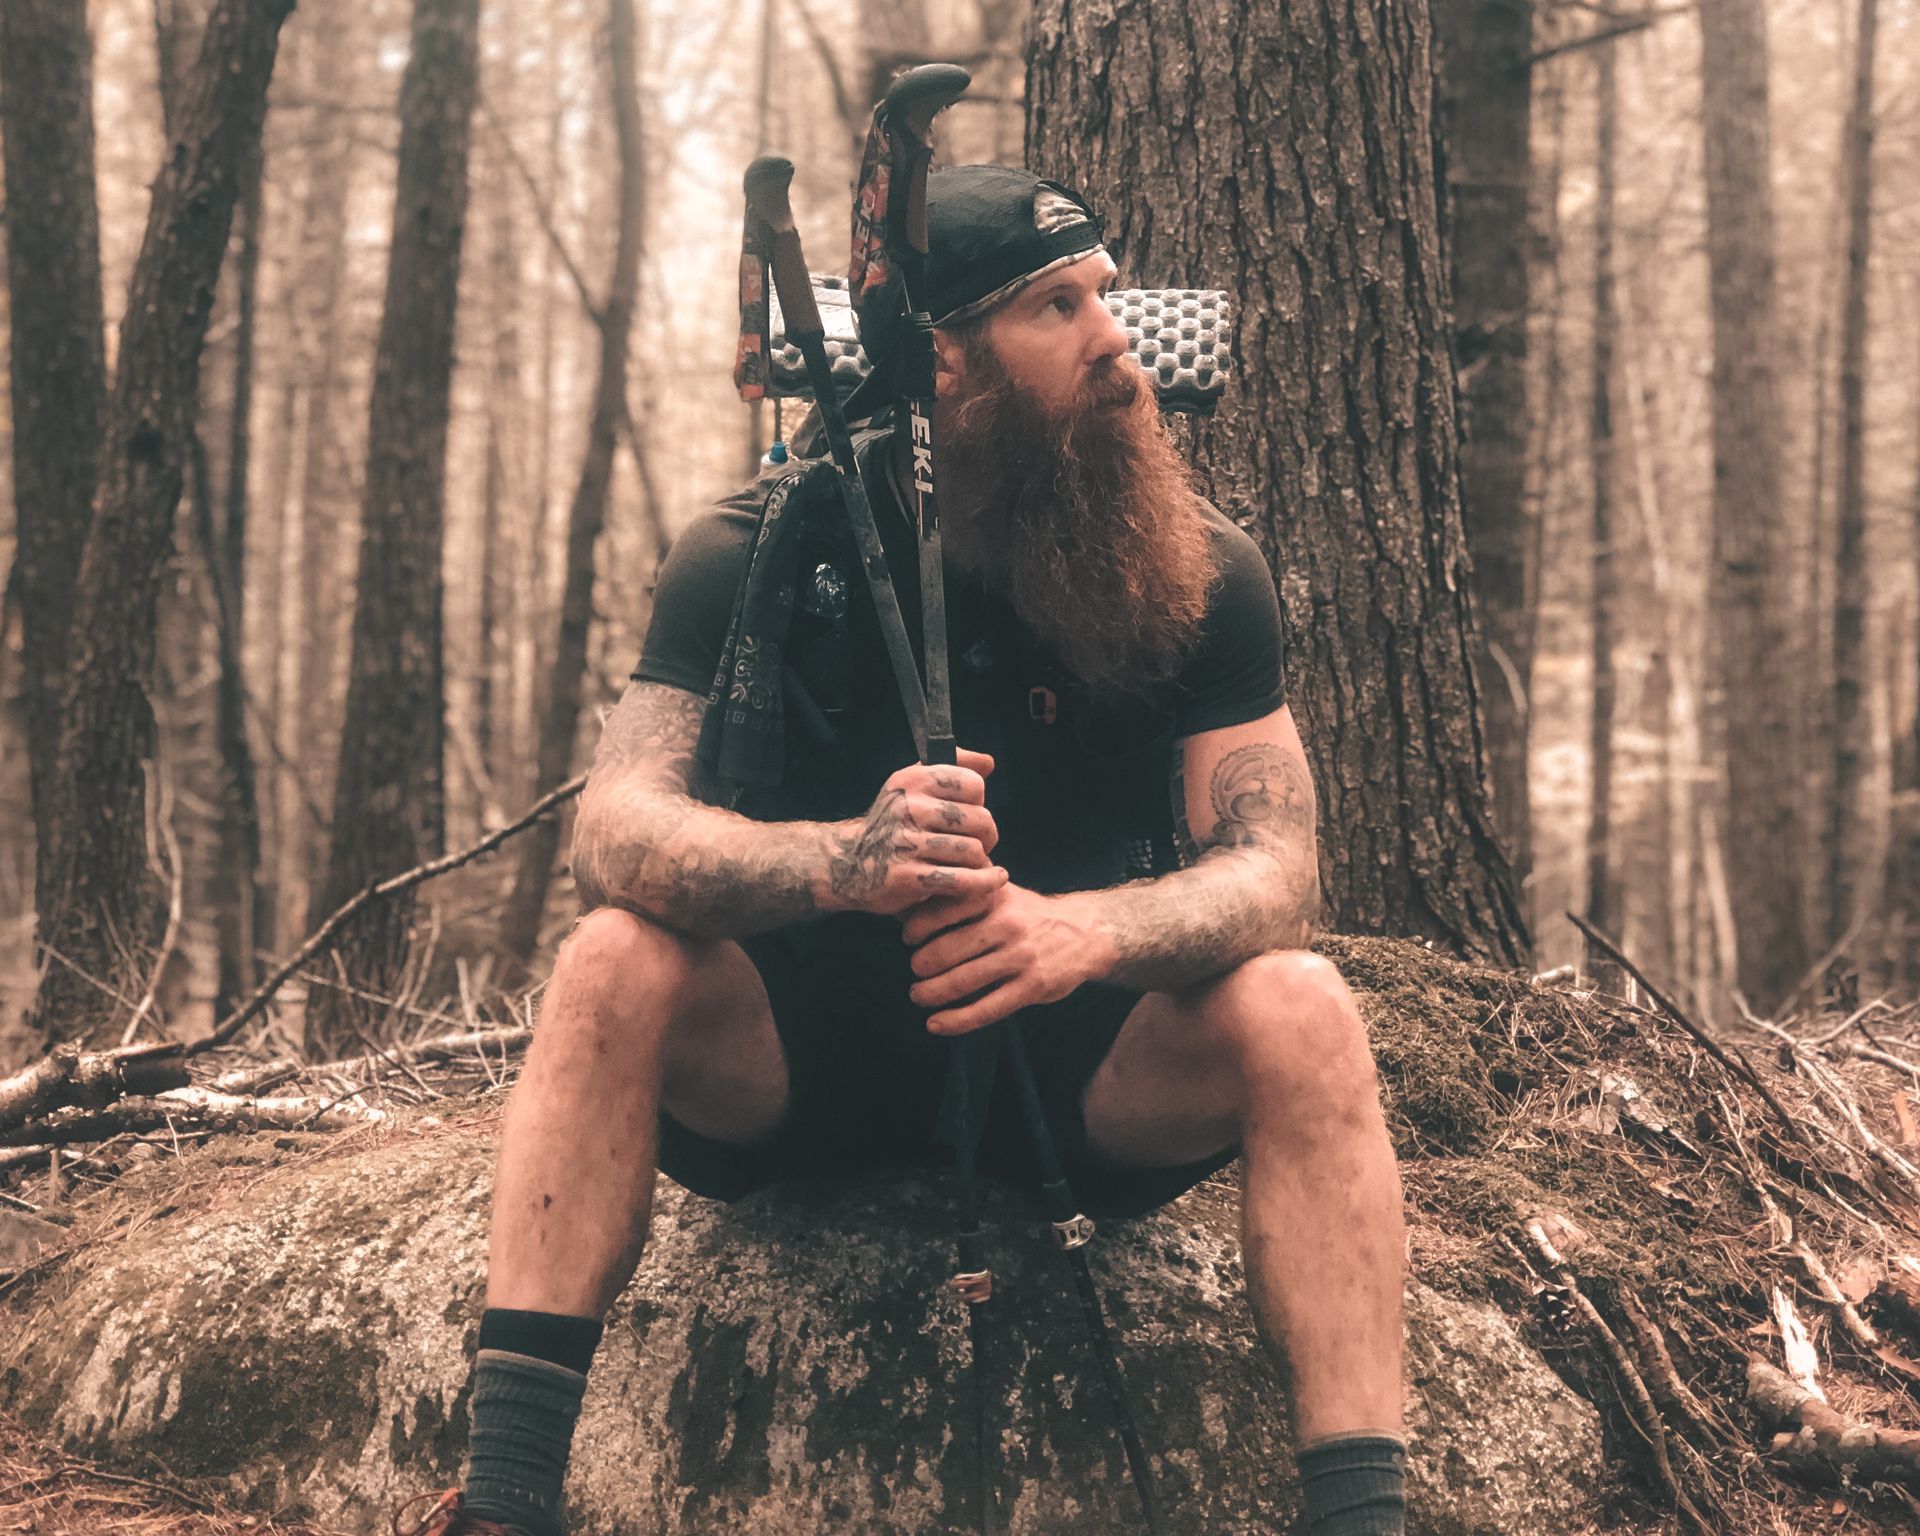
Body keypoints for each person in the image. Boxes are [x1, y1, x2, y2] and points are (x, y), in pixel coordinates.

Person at [408, 165, 1407, 1536]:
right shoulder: (757, 548)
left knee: (1306, 1006)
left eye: (1106, 296)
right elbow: (615, 827)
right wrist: (838, 862)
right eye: (1058, 309)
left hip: (1079, 1057)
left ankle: (1363, 1517)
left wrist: (1086, 935)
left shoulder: (1199, 568)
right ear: (947, 360)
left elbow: (1279, 873)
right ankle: (507, 1501)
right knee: (609, 962)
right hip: (799, 1053)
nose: (1116, 339)